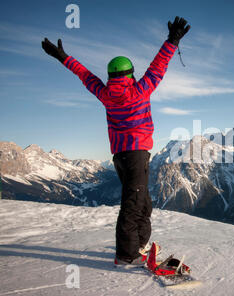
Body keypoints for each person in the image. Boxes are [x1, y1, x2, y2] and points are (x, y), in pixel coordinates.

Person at [42, 17, 190, 266]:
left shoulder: (106, 95)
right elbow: (158, 66)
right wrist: (173, 40)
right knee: (133, 204)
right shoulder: (139, 91)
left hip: (121, 157)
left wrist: (63, 58)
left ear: (111, 76)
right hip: (136, 155)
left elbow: (85, 75)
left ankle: (140, 244)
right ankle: (127, 254)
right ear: (130, 74)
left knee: (142, 201)